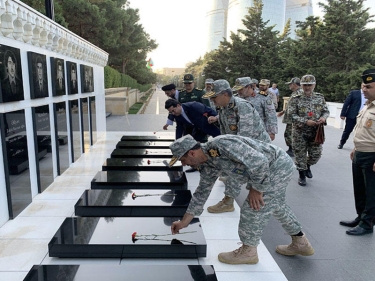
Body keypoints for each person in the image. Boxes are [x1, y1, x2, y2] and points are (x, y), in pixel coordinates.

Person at [169, 134, 315, 264]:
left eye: (183, 160)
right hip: (264, 171)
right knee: (277, 205)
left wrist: (257, 189)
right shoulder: (207, 164)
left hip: (276, 166)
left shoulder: (223, 145)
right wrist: (184, 222)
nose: (184, 164)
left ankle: (248, 252)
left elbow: (260, 161)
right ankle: (300, 242)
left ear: (191, 153)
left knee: (253, 207)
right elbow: (201, 193)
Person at [202, 79, 270, 213]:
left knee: (237, 168)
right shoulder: (223, 108)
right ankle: (232, 201)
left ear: (225, 95)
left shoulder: (241, 106)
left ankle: (228, 202)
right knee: (235, 169)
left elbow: (243, 140)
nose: (212, 100)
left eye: (214, 97)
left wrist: (230, 155)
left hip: (258, 148)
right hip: (242, 144)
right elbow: (226, 132)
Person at [339, 69, 375, 236]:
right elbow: (364, 130)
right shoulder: (367, 106)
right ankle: (360, 217)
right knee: (359, 189)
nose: (364, 89)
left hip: (372, 155)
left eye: (368, 86)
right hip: (359, 153)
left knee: (371, 191)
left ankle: (367, 223)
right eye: (363, 86)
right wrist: (355, 147)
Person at [288, 75, 330, 186]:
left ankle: (307, 166)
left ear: (314, 85)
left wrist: (324, 118)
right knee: (300, 154)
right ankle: (302, 175)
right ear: (301, 85)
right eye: (305, 85)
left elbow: (326, 111)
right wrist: (305, 121)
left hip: (315, 132)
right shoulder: (295, 98)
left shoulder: (319, 97)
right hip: (299, 132)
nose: (307, 87)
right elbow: (291, 115)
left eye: (309, 85)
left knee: (316, 155)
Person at [233, 77, 277, 141]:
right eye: (237, 89)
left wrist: (272, 132)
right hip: (240, 133)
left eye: (241, 89)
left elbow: (271, 115)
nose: (238, 91)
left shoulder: (263, 97)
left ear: (248, 87)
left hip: (259, 134)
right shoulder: (236, 98)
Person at [277, 77, 303, 157]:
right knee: (289, 134)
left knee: (291, 134)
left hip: (295, 119)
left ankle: (293, 150)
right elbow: (292, 105)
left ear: (294, 84)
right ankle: (292, 149)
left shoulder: (300, 93)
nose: (289, 86)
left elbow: (301, 107)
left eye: (290, 84)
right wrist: (283, 111)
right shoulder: (295, 93)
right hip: (291, 118)